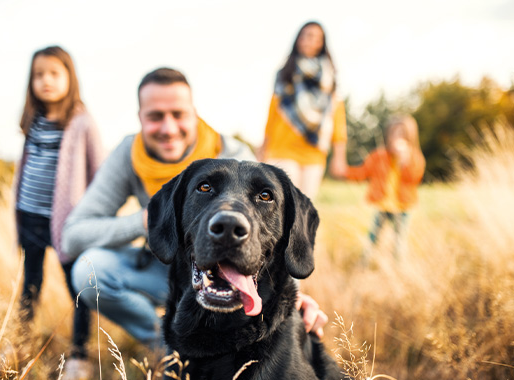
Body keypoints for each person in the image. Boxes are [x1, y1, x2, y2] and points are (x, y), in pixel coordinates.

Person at [62, 68, 329, 362]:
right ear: (140, 117)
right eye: (155, 116)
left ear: (194, 113)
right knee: (89, 269)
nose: (168, 127)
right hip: (163, 263)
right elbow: (73, 236)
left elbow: (270, 229)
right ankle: (170, 345)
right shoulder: (129, 154)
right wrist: (146, 222)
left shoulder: (234, 153)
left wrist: (295, 297)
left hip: (226, 263)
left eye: (178, 114)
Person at [10, 46, 105, 376]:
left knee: (77, 285)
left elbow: (100, 173)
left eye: (54, 73)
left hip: (67, 223)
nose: (46, 81)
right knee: (30, 284)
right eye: (39, 75)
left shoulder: (81, 121)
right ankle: (20, 343)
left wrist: (94, 216)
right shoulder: (32, 121)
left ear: (69, 77)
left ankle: (79, 354)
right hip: (30, 216)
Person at [260, 21, 348, 199]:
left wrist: (339, 156)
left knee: (305, 207)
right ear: (298, 39)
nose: (310, 40)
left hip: (314, 152)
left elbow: (337, 117)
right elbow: (273, 113)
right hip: (282, 148)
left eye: (316, 37)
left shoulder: (329, 79)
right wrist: (263, 147)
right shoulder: (285, 73)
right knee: (283, 202)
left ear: (322, 44)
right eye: (306, 35)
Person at [342, 115, 425, 261]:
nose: (397, 138)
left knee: (399, 239)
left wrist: (404, 161)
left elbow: (415, 178)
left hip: (403, 207)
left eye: (402, 134)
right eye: (394, 133)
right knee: (373, 236)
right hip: (383, 205)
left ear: (410, 137)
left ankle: (398, 265)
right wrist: (344, 172)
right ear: (388, 136)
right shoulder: (379, 156)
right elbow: (362, 172)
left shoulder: (414, 157)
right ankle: (364, 262)